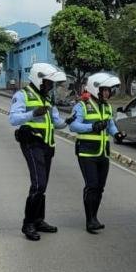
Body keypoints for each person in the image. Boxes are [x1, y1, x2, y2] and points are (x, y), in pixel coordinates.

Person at [9, 63, 70, 241]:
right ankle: (28, 223)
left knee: (42, 186)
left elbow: (57, 122)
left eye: (51, 83)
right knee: (38, 184)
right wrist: (33, 113)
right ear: (39, 80)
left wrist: (69, 121)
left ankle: (38, 220)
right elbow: (13, 118)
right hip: (32, 144)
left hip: (47, 145)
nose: (51, 86)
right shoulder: (23, 95)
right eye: (48, 83)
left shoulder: (47, 98)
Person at [70, 72, 126, 233]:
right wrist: (91, 127)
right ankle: (90, 220)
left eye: (109, 90)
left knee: (100, 187)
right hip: (87, 152)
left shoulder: (107, 106)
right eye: (105, 90)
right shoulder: (82, 106)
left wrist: (117, 134)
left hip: (103, 153)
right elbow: (73, 126)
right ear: (96, 89)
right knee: (92, 185)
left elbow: (110, 125)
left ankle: (94, 217)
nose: (108, 93)